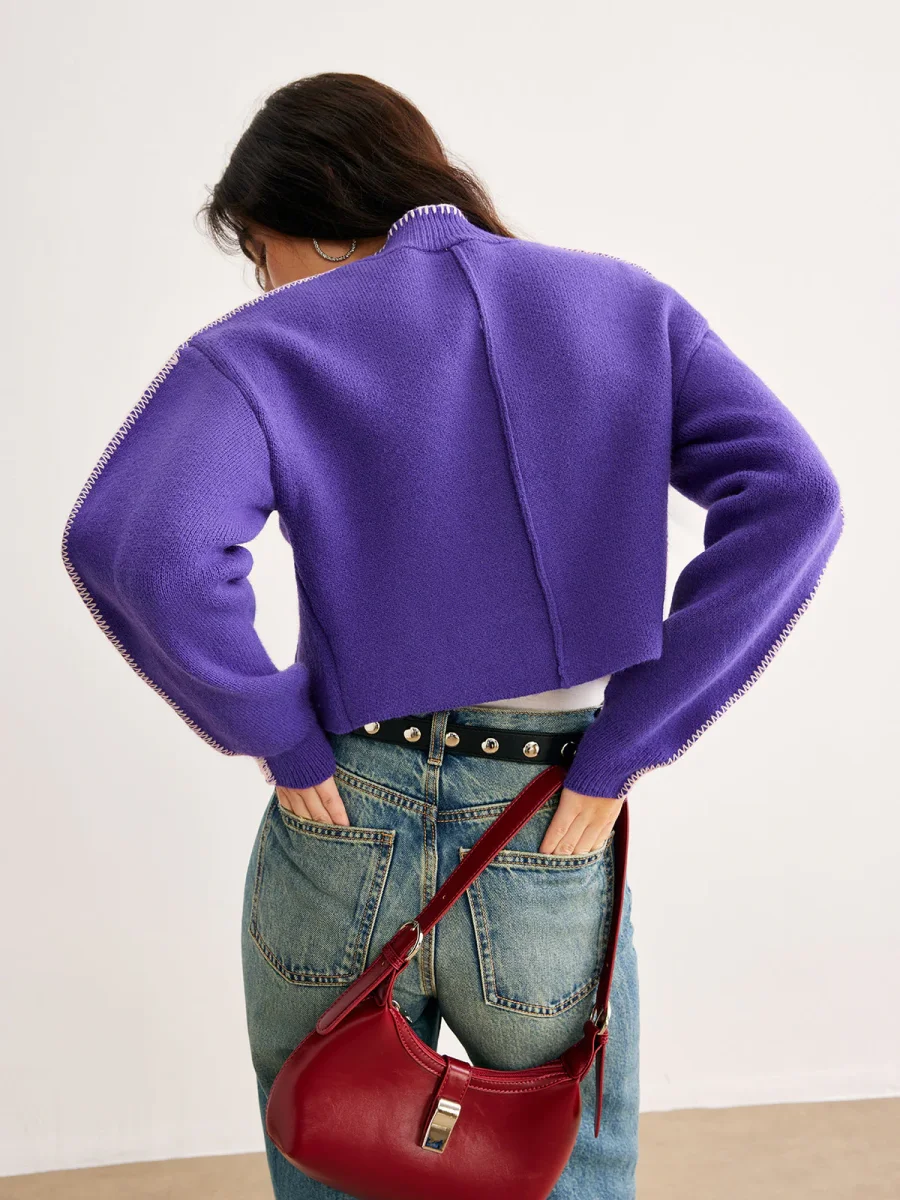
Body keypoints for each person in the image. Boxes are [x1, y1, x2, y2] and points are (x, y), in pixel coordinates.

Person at [60, 71, 844, 1200]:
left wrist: (276, 732)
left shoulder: (265, 344)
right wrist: (631, 740)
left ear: (313, 221)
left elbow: (140, 547)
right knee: (571, 1167)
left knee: (331, 1150)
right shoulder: (625, 307)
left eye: (262, 251)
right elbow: (795, 496)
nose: (266, 282)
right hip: (547, 812)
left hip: (344, 811)